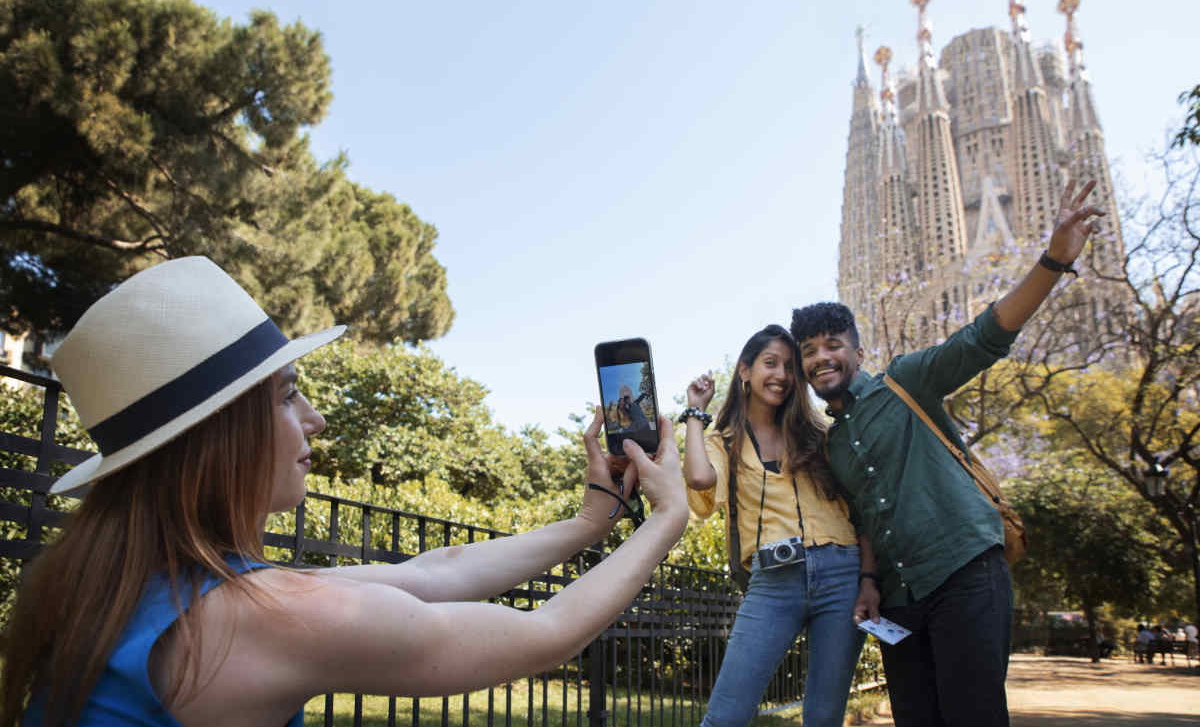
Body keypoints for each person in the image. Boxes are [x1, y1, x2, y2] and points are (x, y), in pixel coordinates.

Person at [0, 257, 688, 727]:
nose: (315, 418)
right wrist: (666, 516)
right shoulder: (251, 618)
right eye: (288, 395)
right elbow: (545, 634)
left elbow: (427, 572)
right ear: (216, 437)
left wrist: (589, 522)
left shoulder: (123, 583)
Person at [790, 178, 1102, 727]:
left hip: (964, 571)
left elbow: (983, 337)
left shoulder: (907, 380)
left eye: (833, 345)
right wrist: (868, 584)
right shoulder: (833, 445)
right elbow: (864, 518)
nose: (822, 358)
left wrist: (1053, 261)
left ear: (857, 352)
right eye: (809, 352)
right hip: (899, 597)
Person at [680, 326, 876, 727]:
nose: (782, 375)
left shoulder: (819, 433)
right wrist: (696, 414)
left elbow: (863, 508)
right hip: (773, 580)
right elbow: (700, 480)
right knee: (725, 717)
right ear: (745, 371)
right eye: (771, 363)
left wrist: (869, 579)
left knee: (824, 718)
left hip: (843, 575)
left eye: (790, 367)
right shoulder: (724, 440)